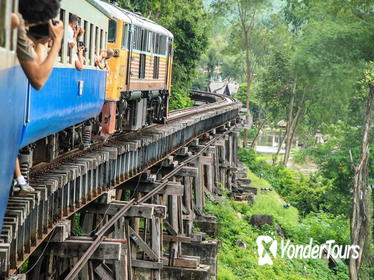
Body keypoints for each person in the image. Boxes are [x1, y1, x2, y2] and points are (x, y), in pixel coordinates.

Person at [11, 0, 63, 194]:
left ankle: (19, 180)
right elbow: (38, 79)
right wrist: (56, 41)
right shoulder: (16, 27)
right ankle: (19, 180)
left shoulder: (15, 24)